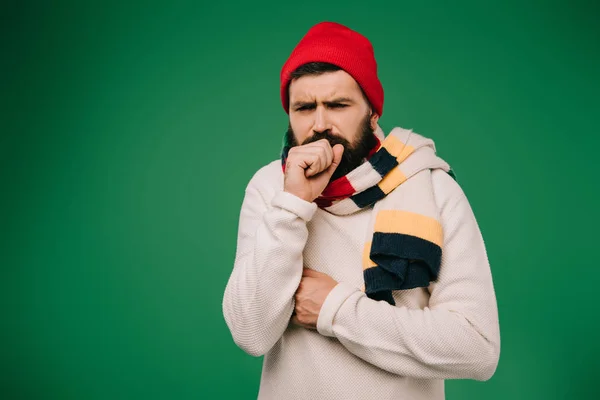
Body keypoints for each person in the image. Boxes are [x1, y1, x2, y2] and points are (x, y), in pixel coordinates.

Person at [222, 21, 500, 400]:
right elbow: (251, 333)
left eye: (338, 105)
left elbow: (478, 348)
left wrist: (335, 309)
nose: (320, 124)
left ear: (371, 115)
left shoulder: (430, 186)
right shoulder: (271, 188)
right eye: (305, 108)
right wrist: (294, 204)